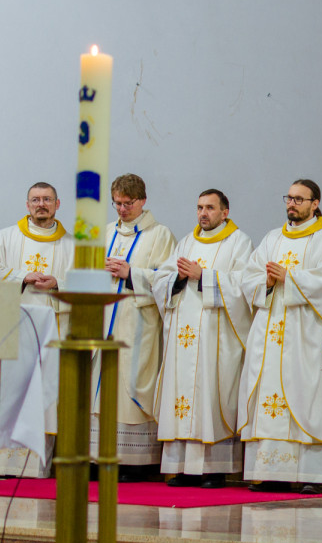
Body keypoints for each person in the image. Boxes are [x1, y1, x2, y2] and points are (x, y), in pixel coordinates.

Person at [237, 179, 322, 493]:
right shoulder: (272, 238)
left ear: (315, 203)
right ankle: (270, 473)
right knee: (269, 400)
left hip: (308, 335)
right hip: (270, 334)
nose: (291, 204)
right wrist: (265, 282)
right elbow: (249, 278)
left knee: (309, 400)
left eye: (299, 199)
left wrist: (289, 277)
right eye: (289, 198)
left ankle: (310, 476)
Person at [151, 189, 254, 488]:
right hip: (182, 335)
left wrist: (203, 276)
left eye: (210, 207)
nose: (203, 213)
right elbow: (162, 279)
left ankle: (213, 469)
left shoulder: (239, 242)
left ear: (225, 211)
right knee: (180, 396)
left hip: (215, 336)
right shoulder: (186, 241)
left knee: (211, 395)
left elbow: (244, 286)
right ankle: (181, 467)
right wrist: (178, 278)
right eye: (199, 207)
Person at [0, 182, 73, 477]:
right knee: (10, 391)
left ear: (57, 204)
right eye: (35, 200)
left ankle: (36, 467)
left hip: (52, 333)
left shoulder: (71, 245)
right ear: (27, 205)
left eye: (47, 199)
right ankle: (2, 463)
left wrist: (58, 283)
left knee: (43, 393)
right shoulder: (5, 238)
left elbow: (85, 282)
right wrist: (23, 277)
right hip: (12, 331)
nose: (41, 204)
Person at [95, 173, 177, 479]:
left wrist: (132, 273)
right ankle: (97, 457)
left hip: (138, 322)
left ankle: (134, 462)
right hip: (104, 320)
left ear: (142, 200)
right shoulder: (105, 233)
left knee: (131, 384)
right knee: (100, 387)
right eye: (117, 203)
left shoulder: (160, 235)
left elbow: (168, 281)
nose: (122, 209)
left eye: (128, 203)